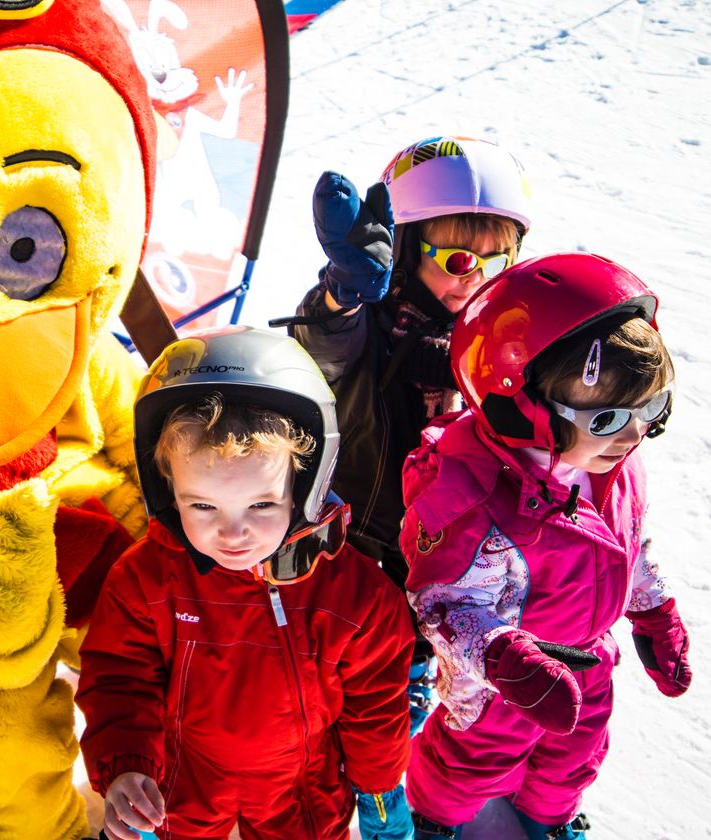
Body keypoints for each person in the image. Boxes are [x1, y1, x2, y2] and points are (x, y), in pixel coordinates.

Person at [76, 326, 415, 840]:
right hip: (179, 790)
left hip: (300, 793)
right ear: (168, 491)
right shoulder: (146, 580)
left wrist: (379, 790)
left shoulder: (354, 596)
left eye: (261, 505)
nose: (232, 533)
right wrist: (127, 763)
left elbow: (375, 705)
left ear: (305, 485)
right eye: (203, 505)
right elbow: (120, 679)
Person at [399, 253, 692, 840]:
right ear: (523, 407)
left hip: (589, 658)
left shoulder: (612, 464)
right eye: (609, 418)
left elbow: (627, 543)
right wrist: (508, 663)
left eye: (651, 410)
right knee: (470, 764)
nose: (636, 435)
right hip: (499, 684)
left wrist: (654, 612)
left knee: (574, 756)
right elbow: (441, 608)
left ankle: (548, 814)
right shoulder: (475, 500)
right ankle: (433, 819)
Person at [278, 135, 534, 731]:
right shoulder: (372, 320)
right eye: (457, 260)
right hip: (362, 551)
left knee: (396, 717)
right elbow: (324, 350)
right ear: (404, 249)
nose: (474, 282)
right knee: (337, 697)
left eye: (496, 263)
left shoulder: (504, 337)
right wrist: (342, 294)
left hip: (451, 566)